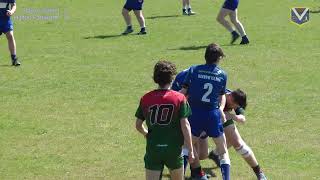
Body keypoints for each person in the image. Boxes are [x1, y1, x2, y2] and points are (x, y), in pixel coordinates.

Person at [135, 60, 195, 180]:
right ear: (172, 78)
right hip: (174, 150)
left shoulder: (146, 98)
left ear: (155, 78)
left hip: (154, 150)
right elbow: (185, 125)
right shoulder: (179, 98)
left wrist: (146, 134)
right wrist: (190, 150)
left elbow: (138, 125)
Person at [180, 43, 230, 180]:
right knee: (223, 150)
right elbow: (222, 95)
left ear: (205, 56)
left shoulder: (193, 70)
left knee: (186, 147)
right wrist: (220, 108)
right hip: (212, 115)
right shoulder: (222, 75)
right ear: (218, 58)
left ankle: (179, 177)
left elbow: (183, 92)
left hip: (194, 114)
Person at [208, 89, 267, 180]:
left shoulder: (234, 98)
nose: (234, 107)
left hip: (222, 117)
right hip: (205, 115)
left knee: (237, 143)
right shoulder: (218, 96)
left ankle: (259, 173)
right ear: (230, 97)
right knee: (201, 153)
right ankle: (195, 171)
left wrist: (235, 116)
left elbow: (241, 116)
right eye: (233, 105)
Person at [0, 0, 20, 66]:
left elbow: (14, 5)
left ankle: (14, 59)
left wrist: (11, 11)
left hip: (5, 19)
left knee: (10, 36)